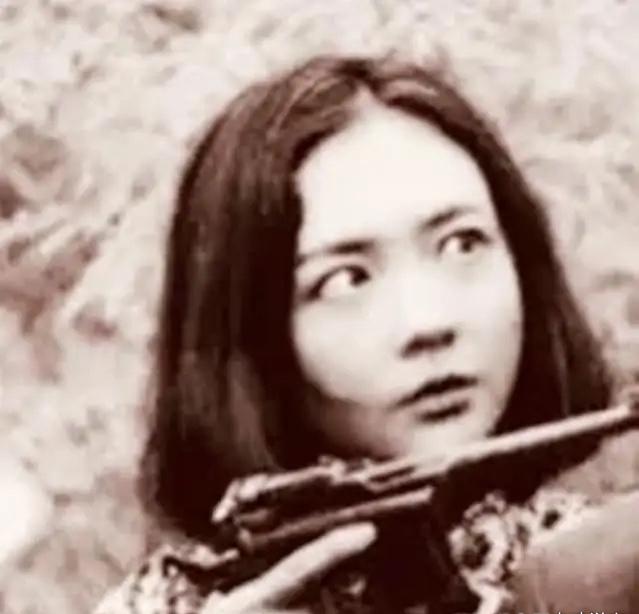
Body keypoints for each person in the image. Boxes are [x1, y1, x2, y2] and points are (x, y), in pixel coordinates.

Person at [93, 55, 629, 614]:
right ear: (251, 338)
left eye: (462, 244)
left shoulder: (610, 569)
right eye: (346, 280)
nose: (427, 322)